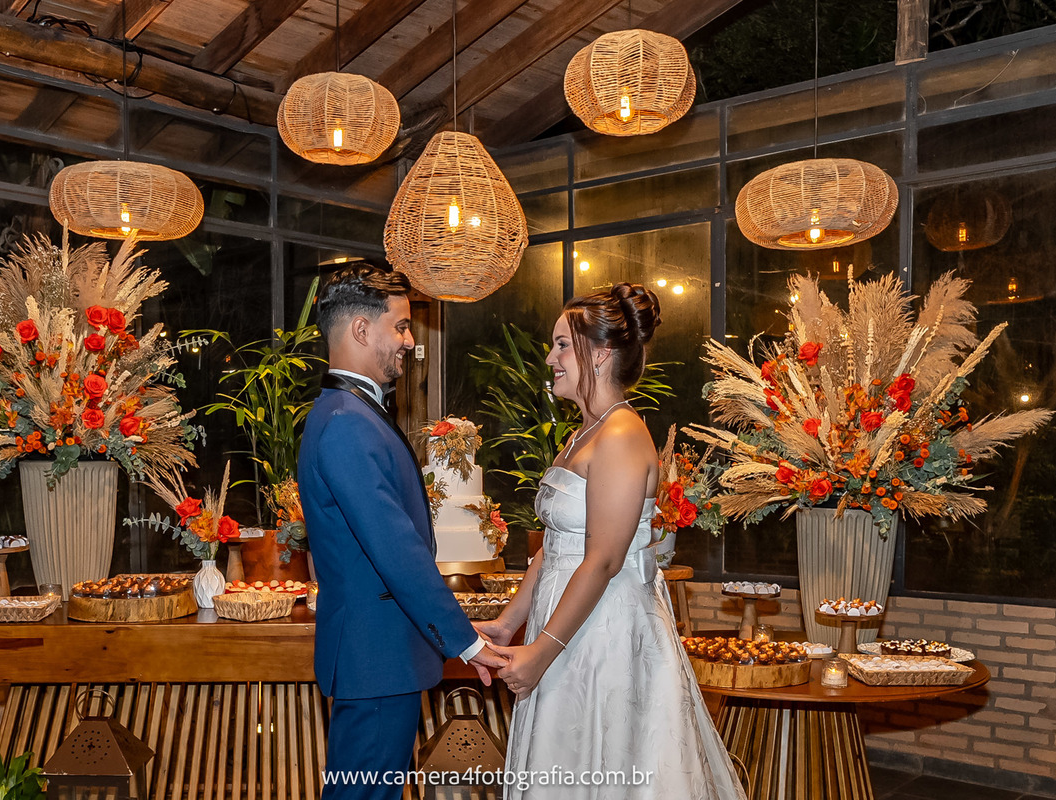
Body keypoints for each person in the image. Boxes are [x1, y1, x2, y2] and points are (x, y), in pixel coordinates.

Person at [475, 283, 747, 799]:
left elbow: (602, 559)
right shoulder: (583, 434)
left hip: (601, 634)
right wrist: (510, 622)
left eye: (561, 344)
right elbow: (557, 545)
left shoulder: (621, 435)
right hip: (565, 626)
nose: (551, 357)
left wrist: (541, 651)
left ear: (598, 355)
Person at [297, 265, 507, 799]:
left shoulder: (349, 412)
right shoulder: (346, 421)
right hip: (376, 657)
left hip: (380, 656)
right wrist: (466, 641)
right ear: (362, 331)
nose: (411, 342)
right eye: (402, 327)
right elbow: (395, 548)